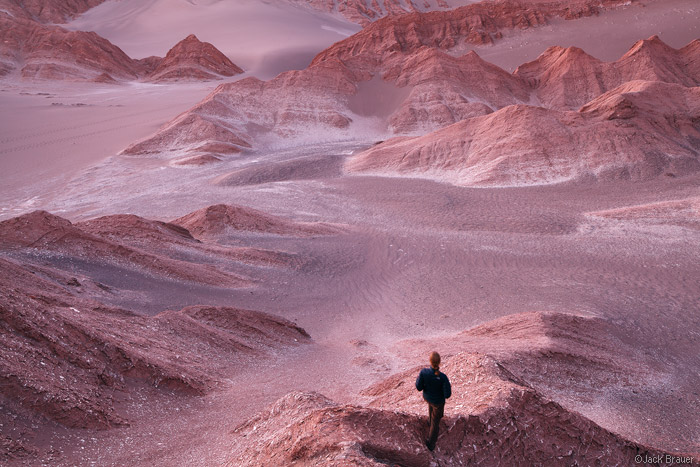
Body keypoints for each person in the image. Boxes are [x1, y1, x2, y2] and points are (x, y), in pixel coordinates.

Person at [415, 351, 451, 451]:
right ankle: (431, 445)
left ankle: (430, 421)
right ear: (439, 362)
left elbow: (418, 387)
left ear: (430, 361)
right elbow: (447, 395)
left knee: (431, 406)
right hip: (438, 402)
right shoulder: (443, 377)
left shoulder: (424, 372)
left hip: (427, 398)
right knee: (436, 423)